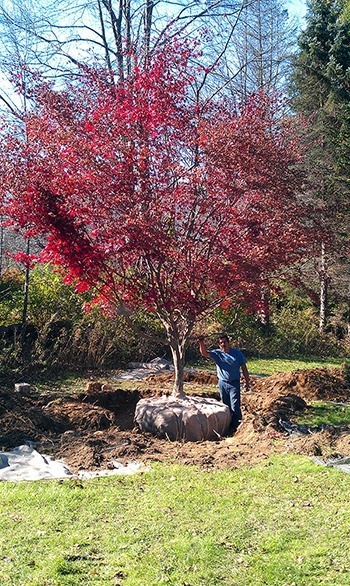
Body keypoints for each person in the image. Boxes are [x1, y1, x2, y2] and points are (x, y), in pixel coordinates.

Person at [198, 333, 250, 432]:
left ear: (229, 343)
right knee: (226, 406)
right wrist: (201, 342)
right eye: (221, 343)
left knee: (235, 406)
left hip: (234, 383)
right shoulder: (217, 354)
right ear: (219, 345)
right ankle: (227, 426)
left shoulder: (237, 354)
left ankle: (236, 426)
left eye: (225, 342)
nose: (223, 344)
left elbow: (244, 368)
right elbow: (204, 354)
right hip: (222, 383)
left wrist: (247, 382)